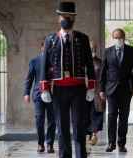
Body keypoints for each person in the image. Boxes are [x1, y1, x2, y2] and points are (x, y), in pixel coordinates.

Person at [39, 2, 96, 158]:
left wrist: (91, 86)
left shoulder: (83, 38)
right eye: (64, 16)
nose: (67, 19)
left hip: (78, 89)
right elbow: (44, 65)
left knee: (79, 126)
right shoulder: (51, 40)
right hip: (58, 90)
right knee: (62, 127)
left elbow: (89, 64)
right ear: (59, 18)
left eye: (70, 16)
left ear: (74, 18)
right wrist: (44, 88)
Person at [100, 28, 133, 152]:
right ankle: (111, 143)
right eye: (116, 38)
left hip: (126, 89)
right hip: (111, 90)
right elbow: (103, 73)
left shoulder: (132, 51)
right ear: (113, 39)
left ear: (124, 38)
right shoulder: (107, 52)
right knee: (112, 116)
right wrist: (101, 90)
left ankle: (121, 144)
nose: (118, 40)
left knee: (124, 117)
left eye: (120, 37)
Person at [23, 39, 56, 153]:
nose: (49, 49)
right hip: (38, 94)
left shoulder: (55, 61)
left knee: (52, 120)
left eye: (50, 47)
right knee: (39, 119)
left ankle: (50, 144)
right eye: (47, 47)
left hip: (53, 95)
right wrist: (26, 93)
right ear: (42, 48)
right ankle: (40, 144)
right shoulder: (34, 61)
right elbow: (29, 78)